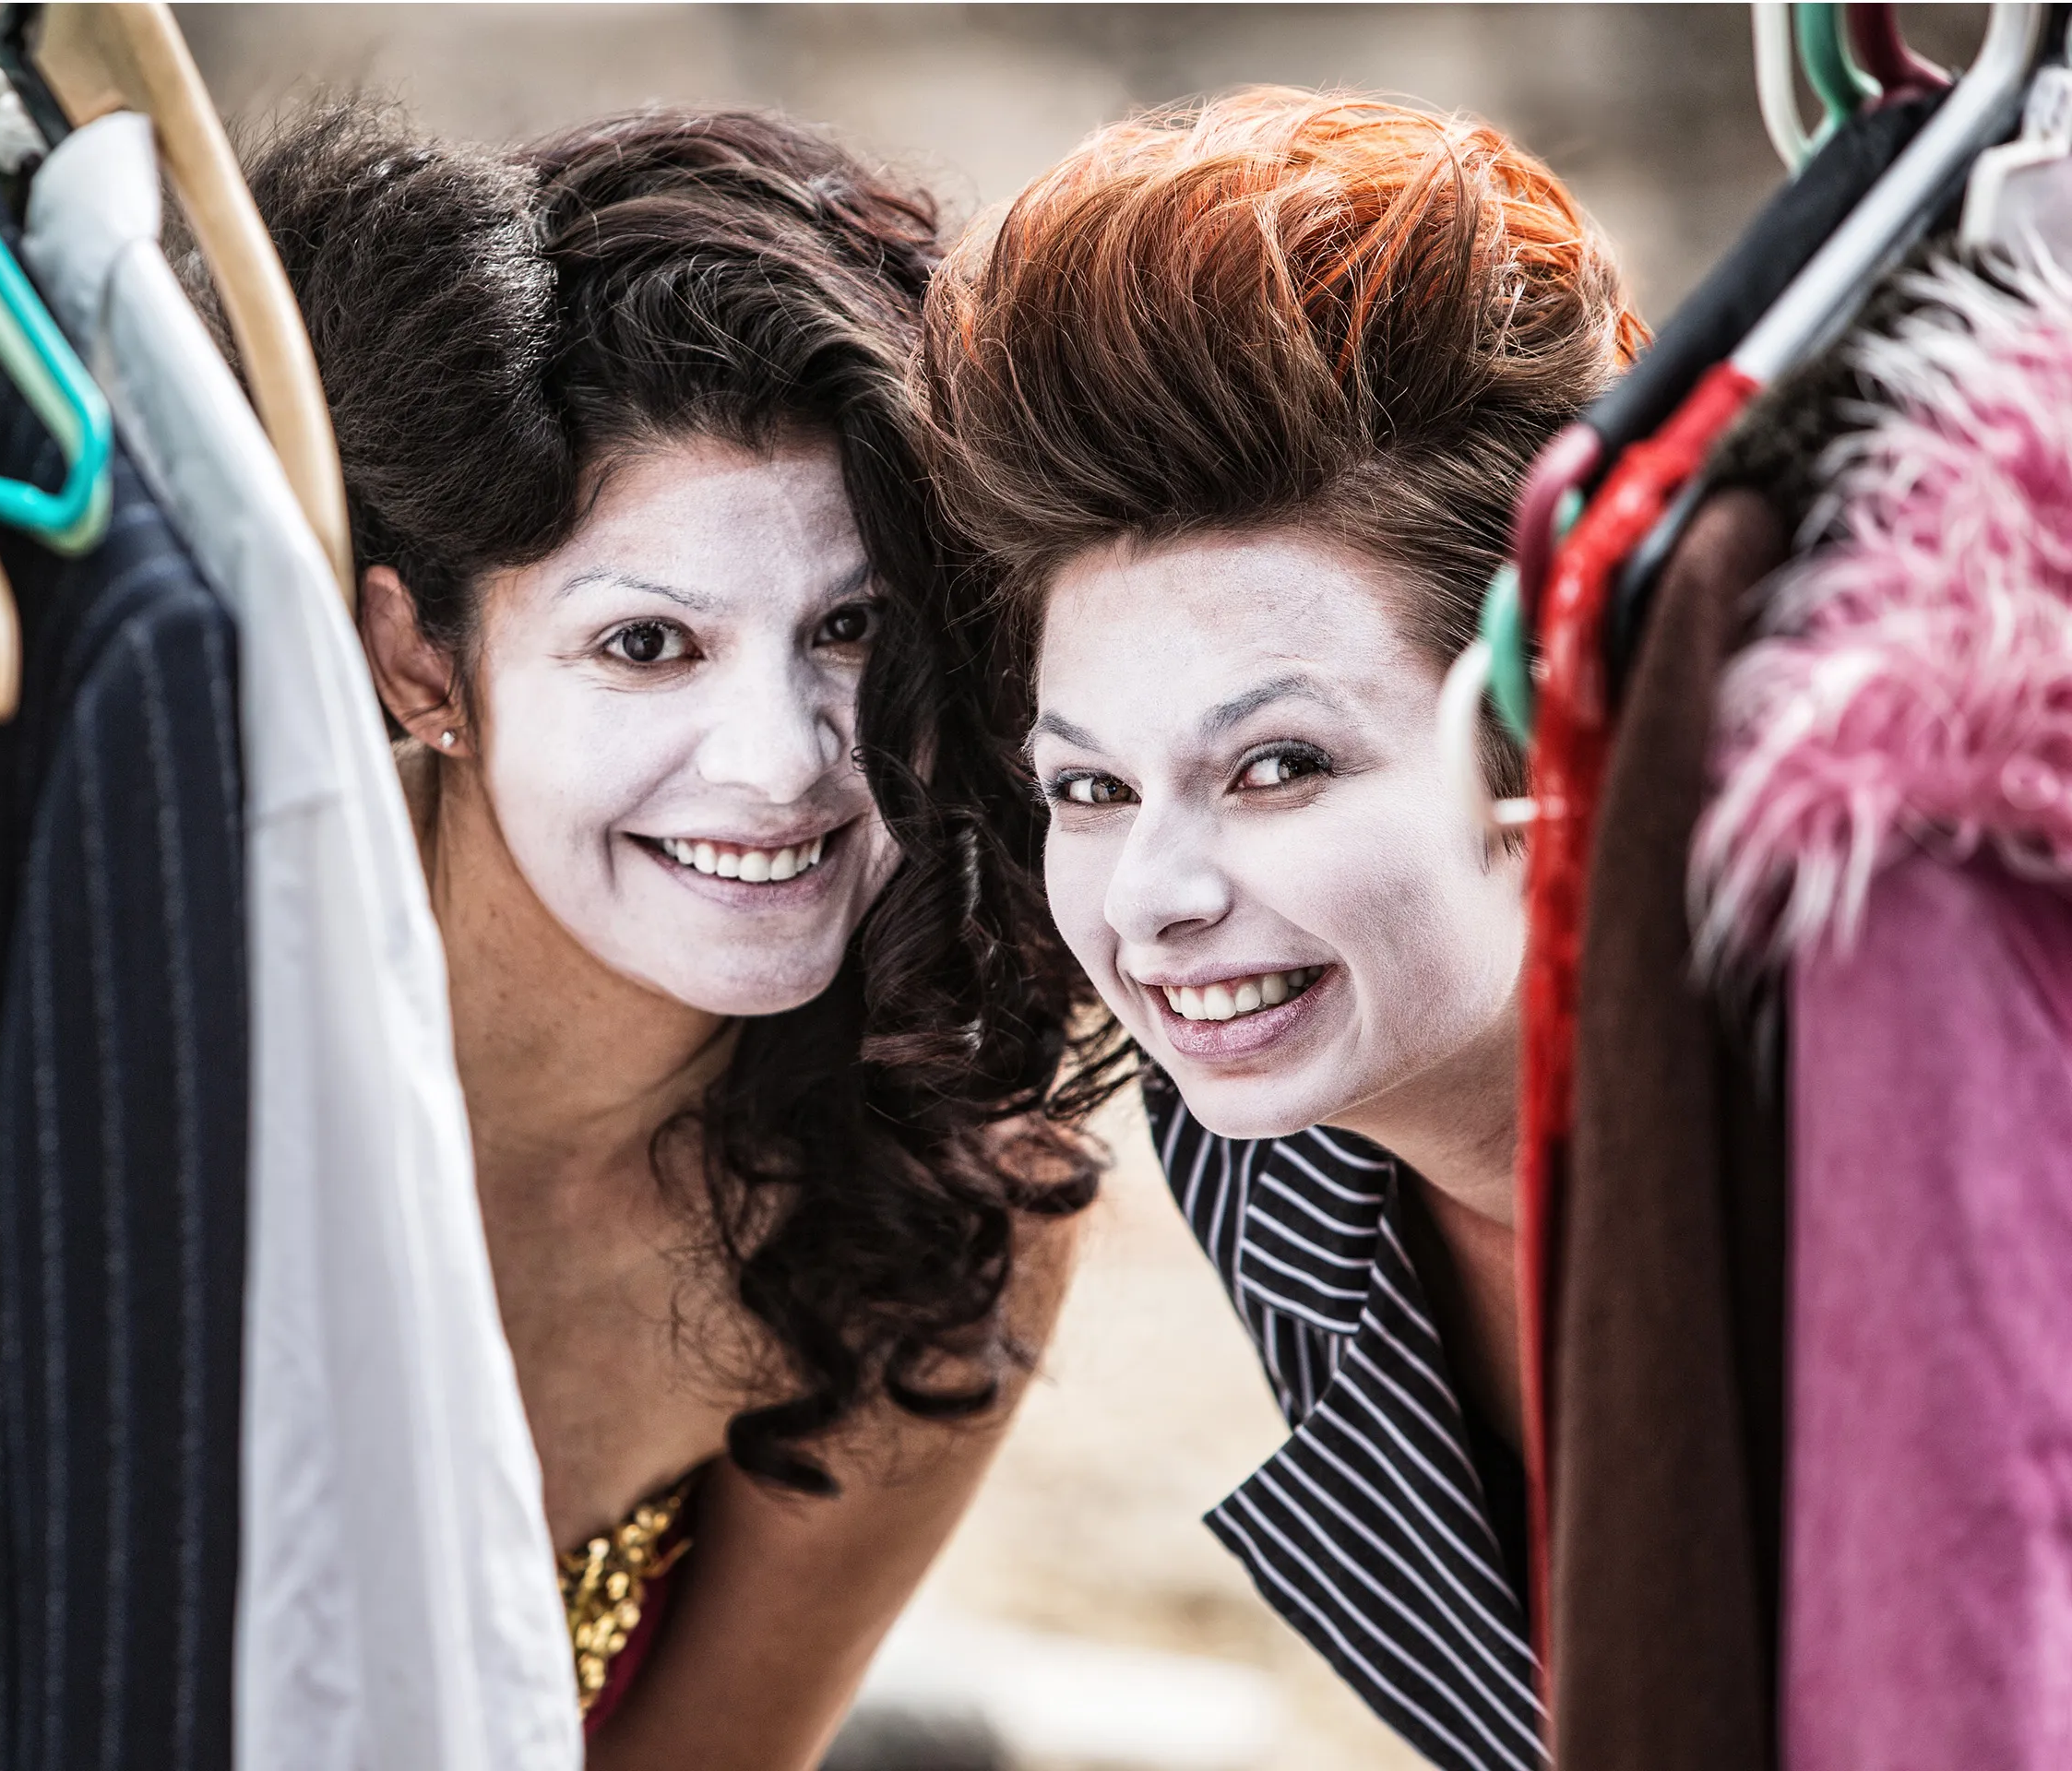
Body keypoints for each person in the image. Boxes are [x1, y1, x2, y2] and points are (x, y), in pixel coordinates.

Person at [238, 104, 1100, 1765]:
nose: (782, 761)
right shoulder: (181, 1045)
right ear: (422, 667)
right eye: (646, 645)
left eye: (851, 629)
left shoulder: (941, 1201)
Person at [920, 89, 1644, 1771]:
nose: (1157, 899)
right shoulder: (1276, 1151)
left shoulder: (1877, 1137)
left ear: (1551, 733)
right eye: (1090, 792)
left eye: (1278, 766)